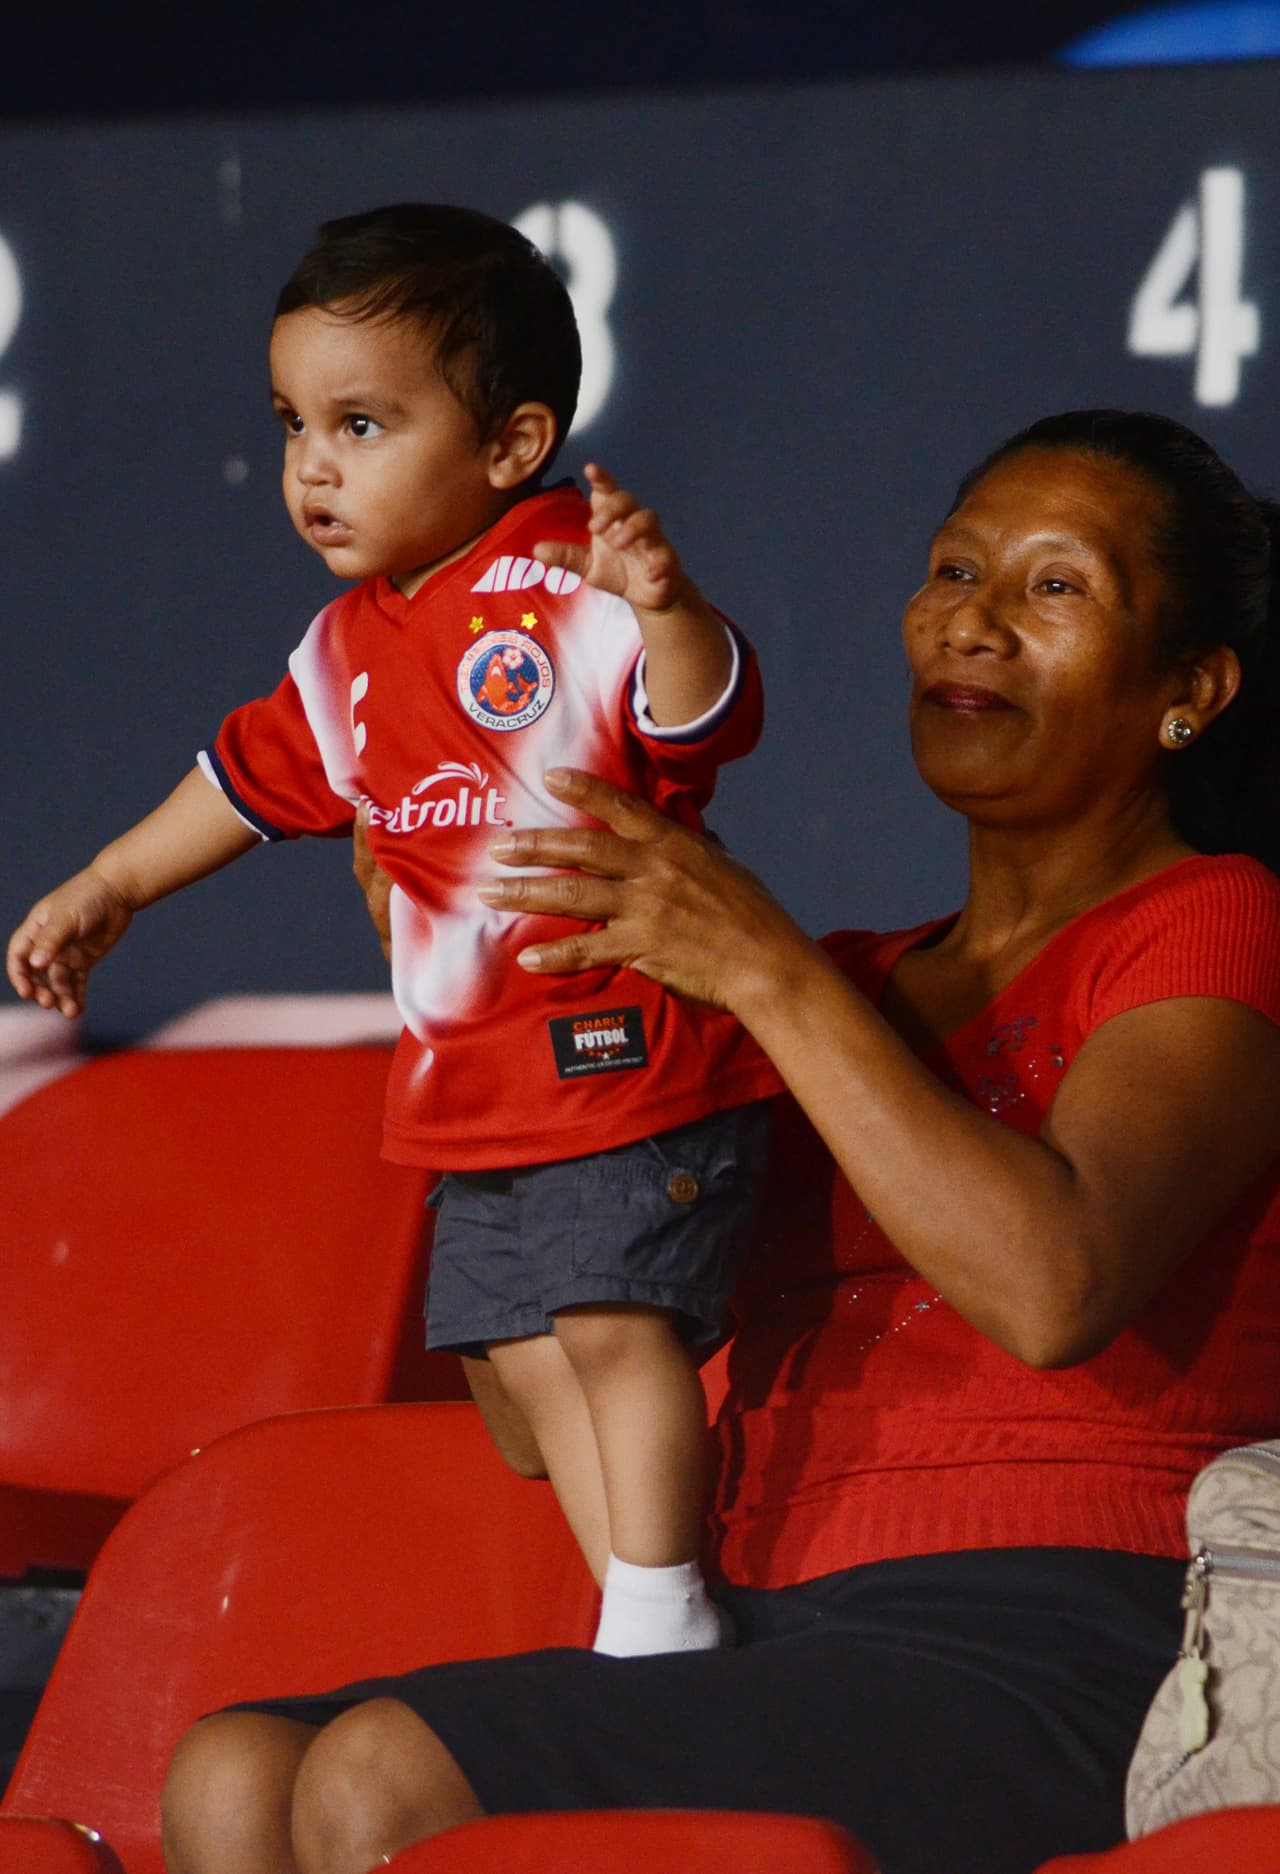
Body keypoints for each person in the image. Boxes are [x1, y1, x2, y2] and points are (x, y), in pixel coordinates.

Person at [157, 409, 1280, 1874]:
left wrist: (759, 965)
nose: (977, 623)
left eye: (1055, 588)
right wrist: (478, 1006)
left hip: (1060, 1626)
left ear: (1190, 688)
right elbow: (524, 1415)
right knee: (233, 1775)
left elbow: (1054, 1282)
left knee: (383, 1776)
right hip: (772, 1613)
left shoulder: (1216, 917)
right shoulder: (847, 983)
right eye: (954, 571)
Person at [4, 204, 780, 1658]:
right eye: (296, 421)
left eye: (363, 423)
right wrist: (111, 880)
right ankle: (649, 1606)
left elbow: (708, 715)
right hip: (475, 1090)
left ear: (511, 442)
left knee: (615, 1322)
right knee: (515, 1344)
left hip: (619, 1051)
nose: (312, 464)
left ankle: (657, 1622)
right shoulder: (346, 643)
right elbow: (246, 780)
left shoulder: (574, 575)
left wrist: (669, 608)